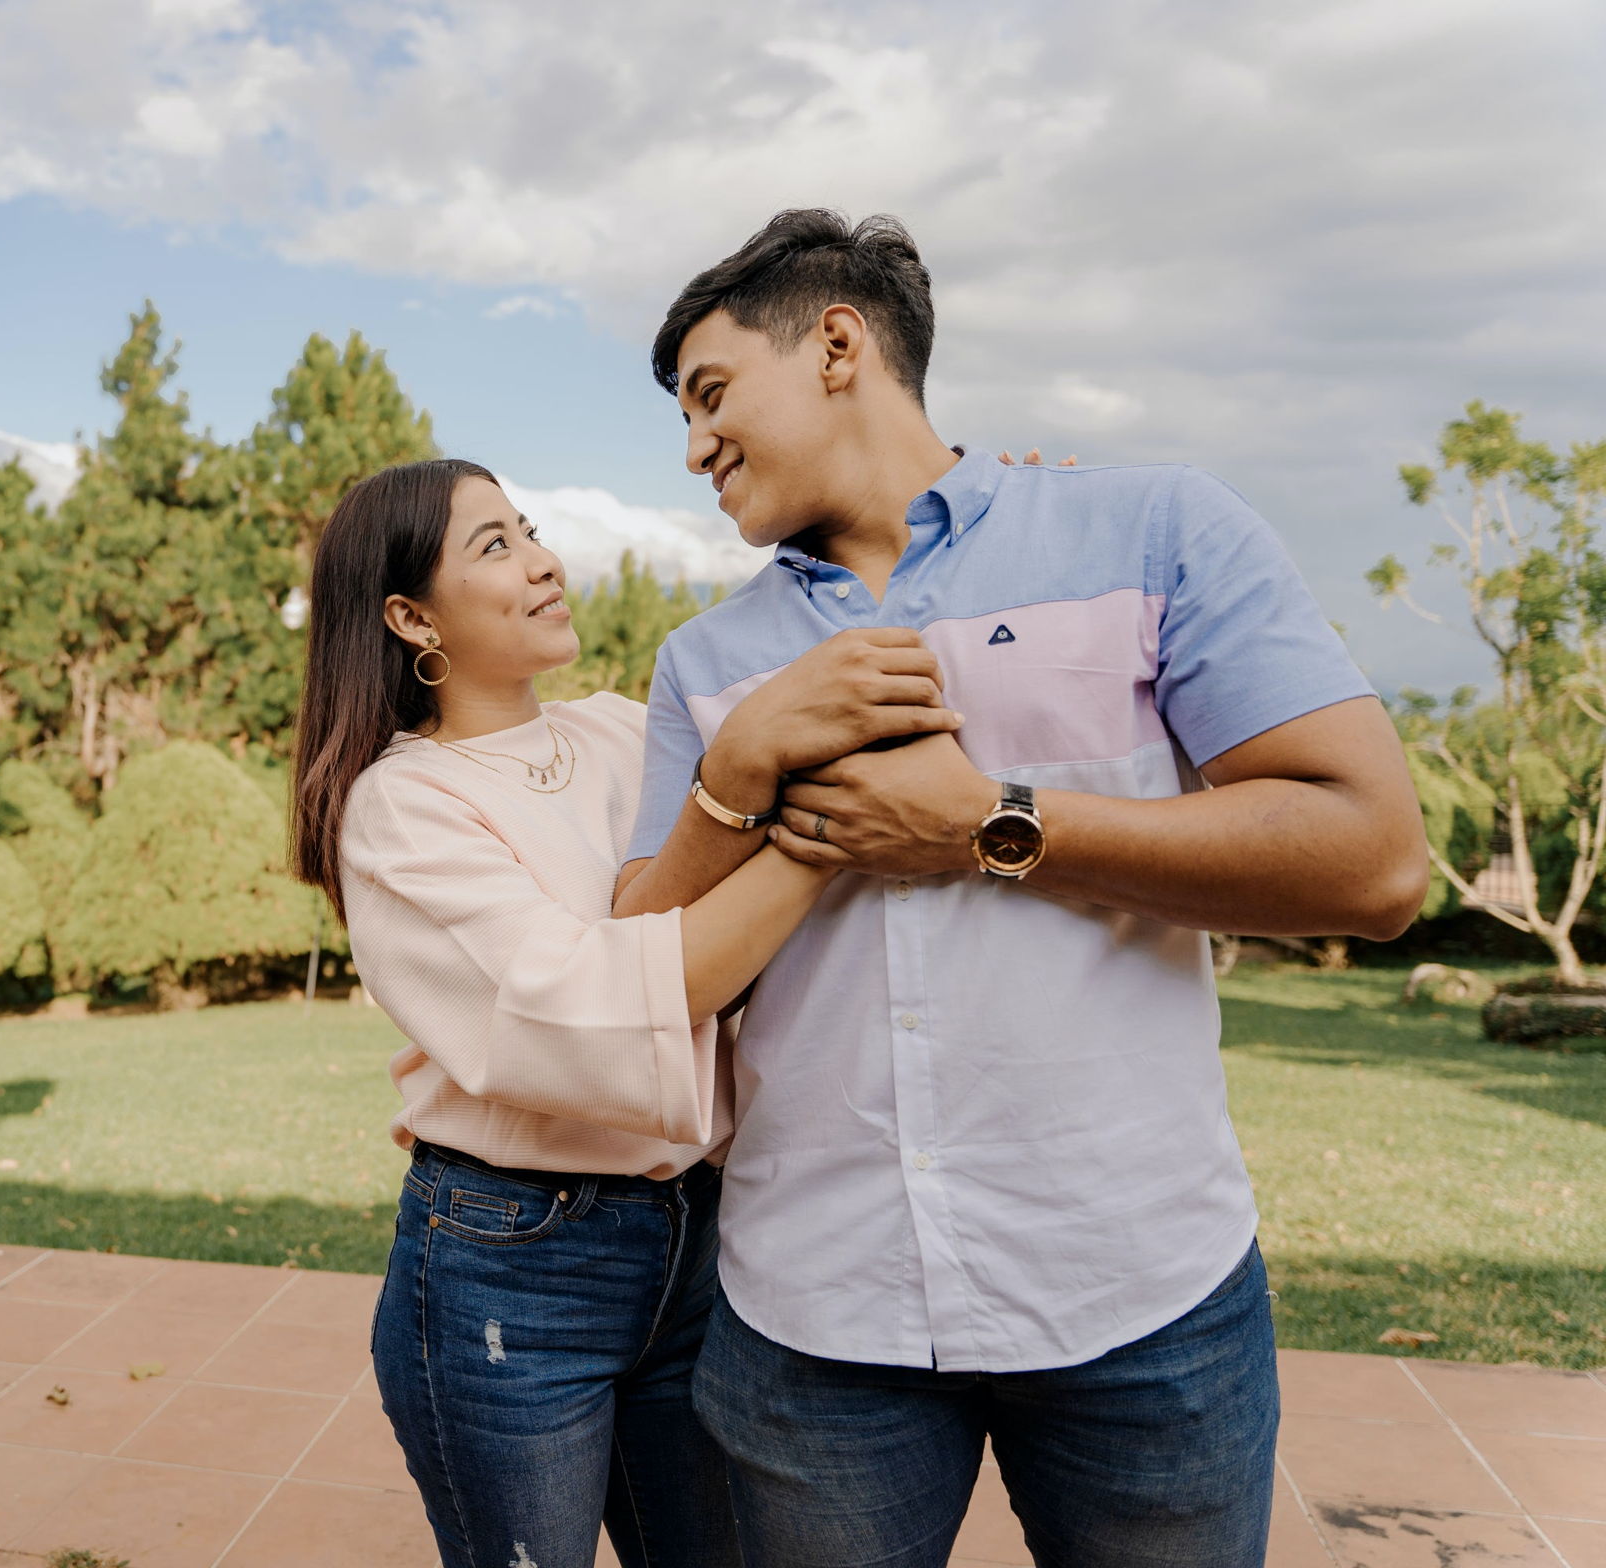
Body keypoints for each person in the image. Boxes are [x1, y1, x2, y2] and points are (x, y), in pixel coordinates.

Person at [613, 210, 1429, 1568]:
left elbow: (1375, 860)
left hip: (1140, 1299)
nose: (693, 446)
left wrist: (992, 827)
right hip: (814, 1322)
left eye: (710, 393)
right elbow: (639, 961)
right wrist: (743, 766)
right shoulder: (705, 659)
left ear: (836, 345)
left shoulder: (1155, 530)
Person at [286, 457, 960, 1568]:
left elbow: (832, 704)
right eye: (492, 546)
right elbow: (602, 996)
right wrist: (839, 841)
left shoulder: (615, 728)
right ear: (410, 615)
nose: (542, 559)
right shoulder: (400, 804)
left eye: (530, 529)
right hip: (511, 1266)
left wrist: (977, 525)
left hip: (697, 1242)